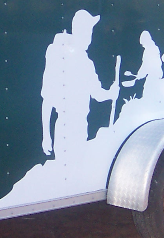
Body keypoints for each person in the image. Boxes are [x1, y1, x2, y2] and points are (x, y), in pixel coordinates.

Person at [41, 10, 119, 158]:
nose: (90, 37)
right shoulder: (58, 56)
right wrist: (46, 135)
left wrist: (111, 93)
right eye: (88, 32)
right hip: (64, 130)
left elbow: (96, 93)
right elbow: (48, 99)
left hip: (81, 128)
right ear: (79, 31)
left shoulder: (87, 63)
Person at [123, 31, 164, 98]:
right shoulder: (151, 48)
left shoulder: (151, 50)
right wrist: (140, 74)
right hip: (154, 74)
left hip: (154, 75)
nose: (143, 45)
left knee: (149, 91)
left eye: (143, 43)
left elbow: (146, 65)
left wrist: (140, 74)